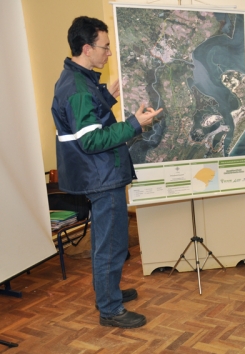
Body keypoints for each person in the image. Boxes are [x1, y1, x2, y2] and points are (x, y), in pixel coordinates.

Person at [52, 16, 162, 328]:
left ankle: (109, 291)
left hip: (100, 173)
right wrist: (134, 125)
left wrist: (108, 99)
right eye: (105, 47)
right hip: (100, 176)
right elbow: (91, 140)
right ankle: (110, 308)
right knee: (110, 245)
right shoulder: (77, 87)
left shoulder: (80, 79)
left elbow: (87, 123)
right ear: (87, 48)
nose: (109, 53)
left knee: (111, 240)